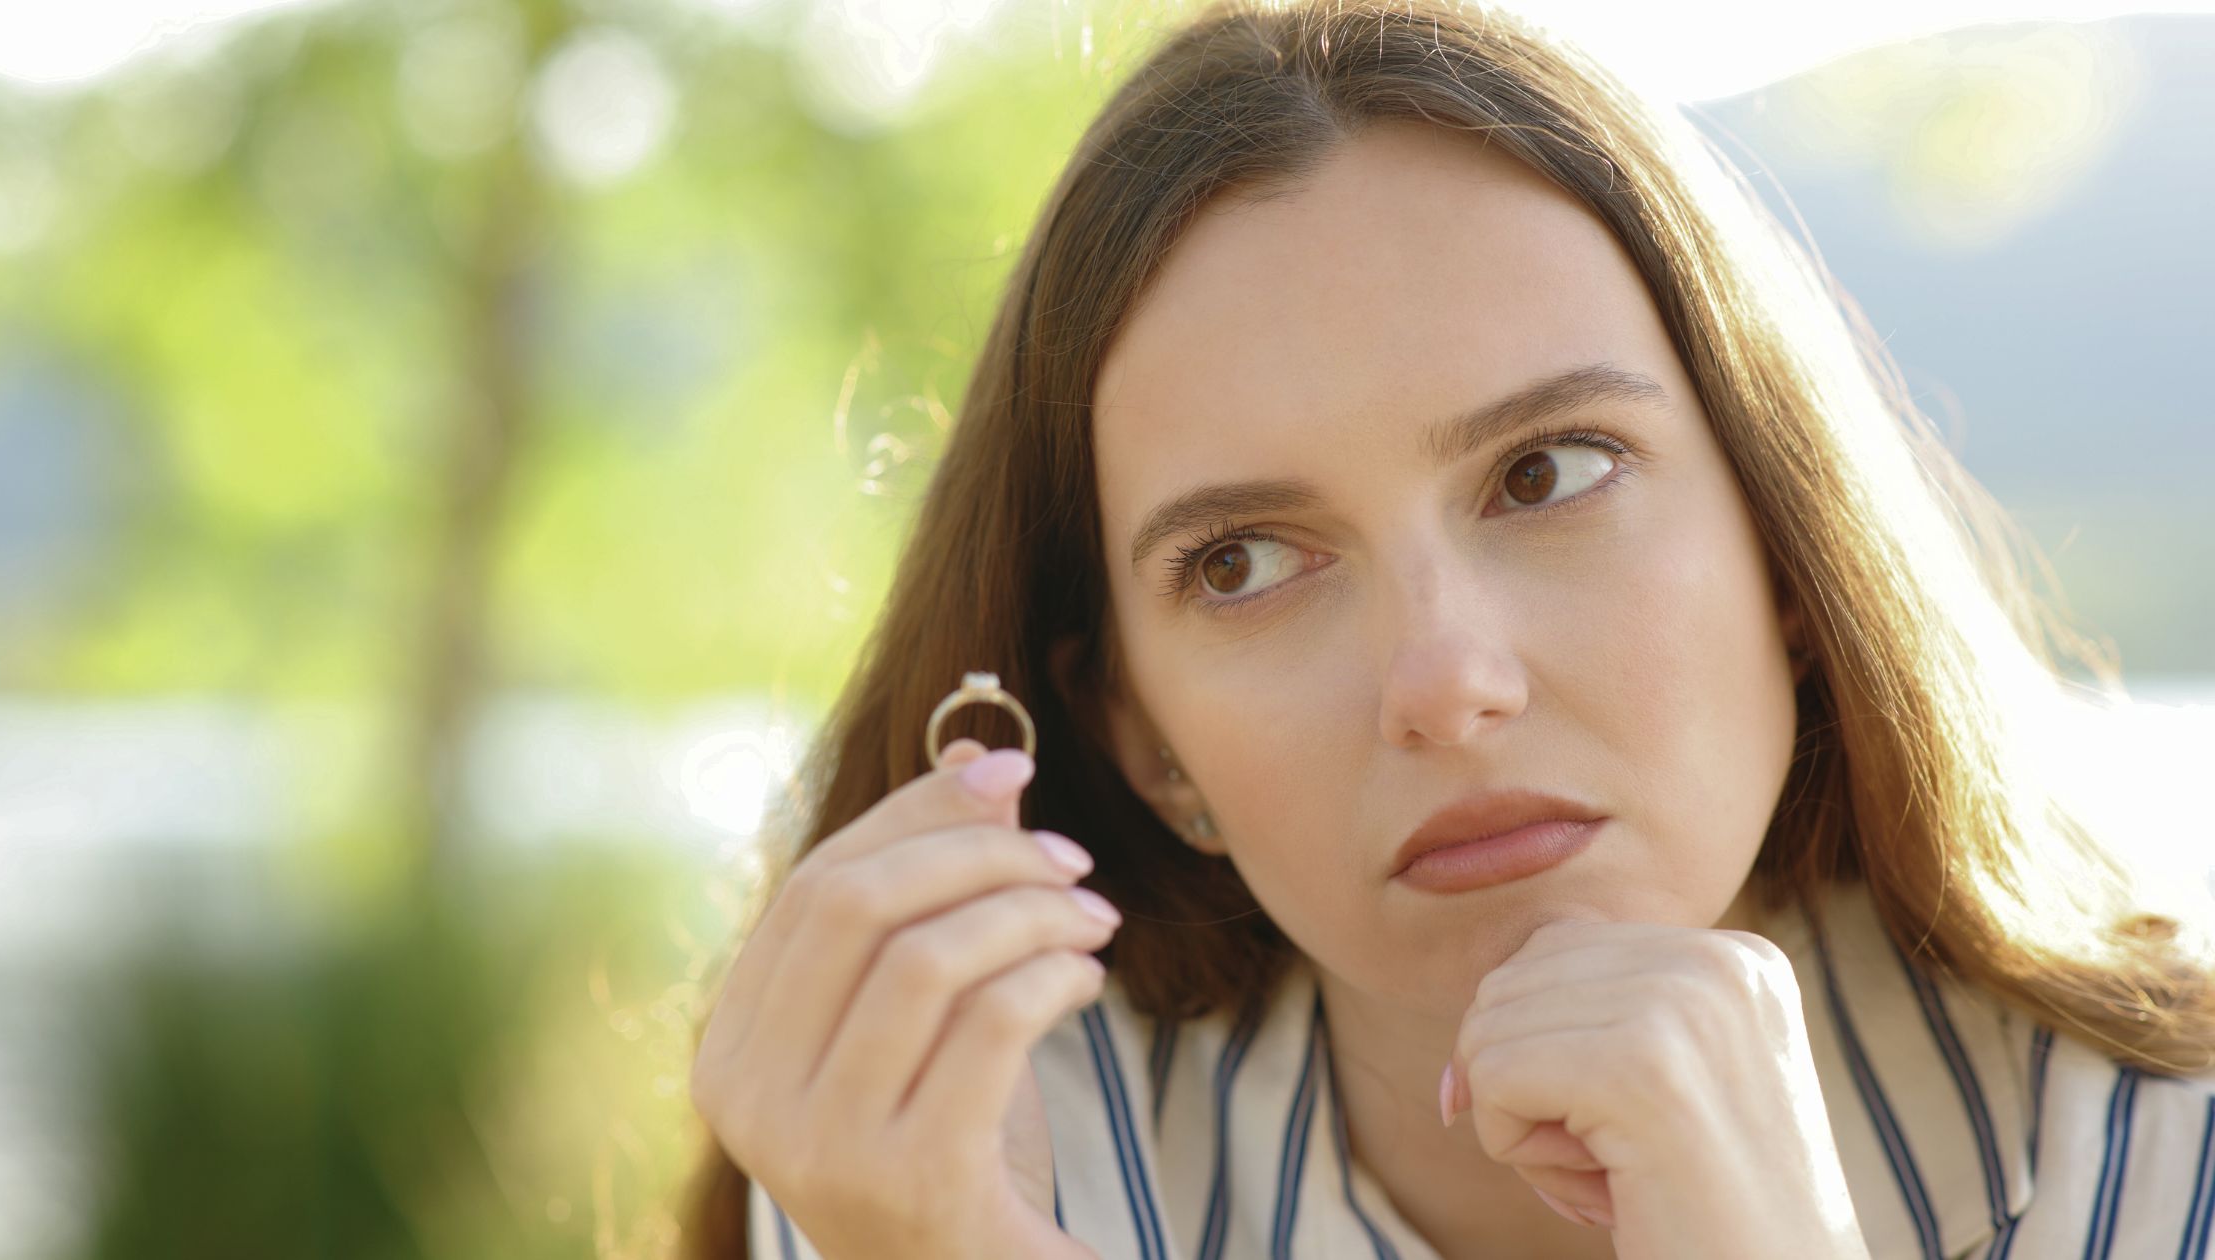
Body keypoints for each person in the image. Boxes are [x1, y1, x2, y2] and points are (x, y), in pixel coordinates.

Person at [681, 0, 2215, 1256]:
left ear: (1788, 560)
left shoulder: (2157, 1152)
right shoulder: (968, 1155)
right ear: (1145, 741)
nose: (1447, 682)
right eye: (1242, 565)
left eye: (1547, 474)